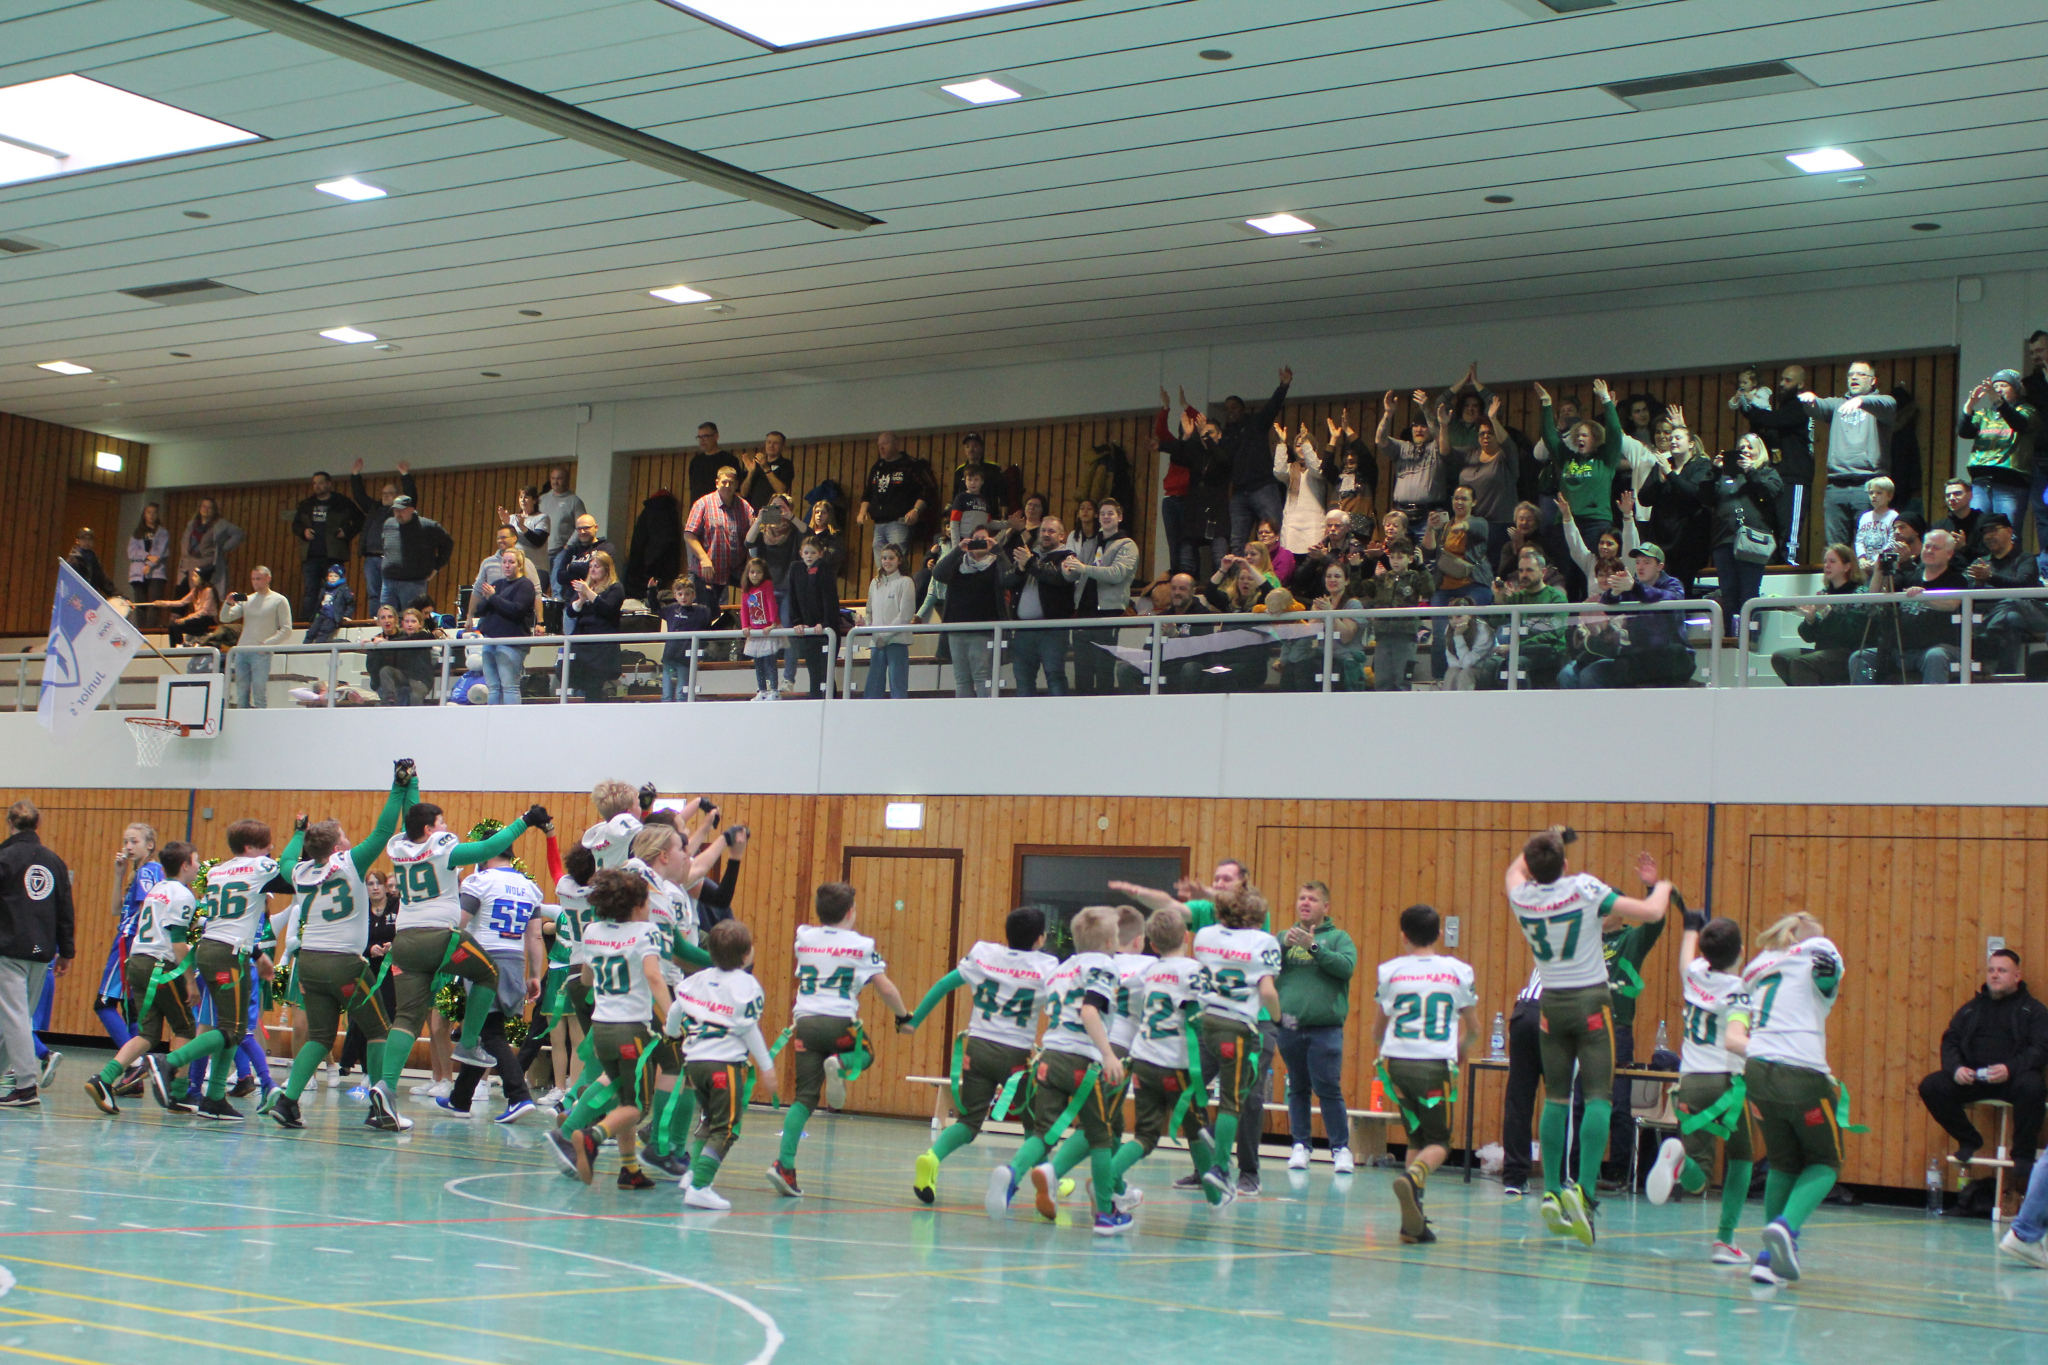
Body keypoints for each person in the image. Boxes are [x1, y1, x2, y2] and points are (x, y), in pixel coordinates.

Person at [1504, 826, 1673, 1248]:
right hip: (1591, 1003)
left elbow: (1514, 869)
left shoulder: (1522, 896)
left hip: (1551, 1005)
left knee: (1556, 1098)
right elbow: (1650, 913)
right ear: (1565, 864)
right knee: (1599, 1096)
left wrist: (1548, 837)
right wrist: (1662, 888)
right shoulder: (1583, 888)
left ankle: (1550, 1190)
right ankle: (1583, 1191)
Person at [368, 786, 545, 1132]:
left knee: (406, 1018)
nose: (447, 826)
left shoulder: (399, 847)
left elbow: (411, 816)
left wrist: (406, 784)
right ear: (430, 829)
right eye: (441, 822)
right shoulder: (442, 849)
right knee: (488, 974)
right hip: (439, 936)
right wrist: (525, 820)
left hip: (405, 939)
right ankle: (467, 1045)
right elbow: (488, 848)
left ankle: (386, 1088)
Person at [265, 774, 409, 1128]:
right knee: (379, 1030)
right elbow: (383, 830)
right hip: (343, 963)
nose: (347, 838)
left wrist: (298, 832)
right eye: (343, 835)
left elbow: (286, 859)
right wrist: (398, 788)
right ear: (335, 848)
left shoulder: (300, 872)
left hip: (310, 962)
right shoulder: (349, 862)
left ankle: (288, 1101)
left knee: (319, 1036)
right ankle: (381, 1106)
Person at [143, 814, 302, 1122]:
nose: (270, 849)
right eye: (266, 845)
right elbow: (290, 873)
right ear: (250, 847)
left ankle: (214, 1098)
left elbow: (233, 918)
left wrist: (257, 953)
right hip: (230, 956)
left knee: (230, 1028)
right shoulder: (259, 866)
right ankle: (170, 1062)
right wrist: (299, 836)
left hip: (212, 948)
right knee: (233, 1030)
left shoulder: (217, 871)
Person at [985, 904, 1133, 1233]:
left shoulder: (1062, 968)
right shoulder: (1104, 967)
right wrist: (1108, 1054)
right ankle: (1106, 1213)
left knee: (1043, 1132)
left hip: (1050, 1056)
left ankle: (1012, 1174)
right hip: (1082, 1059)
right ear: (1110, 942)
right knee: (1101, 1137)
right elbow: (1089, 1012)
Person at [899, 906, 1058, 1205]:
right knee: (1035, 1125)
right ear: (1040, 938)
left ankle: (932, 1157)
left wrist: (914, 1021)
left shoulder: (986, 954)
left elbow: (944, 985)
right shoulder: (1046, 967)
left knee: (970, 1120)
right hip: (1016, 1056)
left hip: (977, 1049)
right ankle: (1049, 1182)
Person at [768, 881, 909, 1198]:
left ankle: (784, 1165)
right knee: (866, 1054)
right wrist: (903, 1016)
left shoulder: (804, 937)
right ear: (850, 912)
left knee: (804, 1098)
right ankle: (840, 1063)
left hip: (805, 1023)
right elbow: (886, 988)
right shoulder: (862, 945)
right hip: (839, 1023)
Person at [1740, 912, 1851, 1286]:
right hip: (1800, 1071)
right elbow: (1826, 977)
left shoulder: (1759, 965)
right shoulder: (1819, 948)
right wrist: (1828, 971)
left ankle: (1767, 1259)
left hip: (1756, 1070)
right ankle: (1787, 1228)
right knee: (1826, 1160)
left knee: (1783, 1162)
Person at [545, 868, 673, 1188]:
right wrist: (674, 1019)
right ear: (636, 905)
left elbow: (587, 979)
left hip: (600, 1028)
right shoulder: (646, 933)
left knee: (617, 1090)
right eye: (647, 902)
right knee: (637, 1105)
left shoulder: (592, 931)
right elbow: (654, 977)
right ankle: (590, 1136)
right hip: (631, 1029)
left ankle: (629, 1168)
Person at [1643, 910, 1757, 1261]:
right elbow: (1737, 1041)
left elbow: (1685, 959)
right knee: (1742, 1158)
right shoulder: (1739, 992)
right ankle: (1725, 1240)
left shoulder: (1693, 975)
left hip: (1689, 1084)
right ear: (1741, 953)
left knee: (1700, 1178)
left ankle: (1680, 1163)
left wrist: (1691, 928)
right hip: (1725, 1085)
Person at [1101, 906, 1223, 1205]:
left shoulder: (1149, 971)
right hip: (1175, 1063)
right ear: (1187, 937)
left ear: (1153, 945)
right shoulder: (1193, 971)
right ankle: (1215, 1197)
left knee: (1145, 1135)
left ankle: (1108, 1178)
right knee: (1196, 1130)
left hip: (1142, 1059)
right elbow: (1203, 1010)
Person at [1375, 902, 1479, 1244]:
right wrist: (1461, 1048)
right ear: (1439, 934)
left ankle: (1412, 1225)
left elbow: (1378, 1030)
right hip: (1433, 1066)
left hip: (1397, 1066)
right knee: (1439, 1142)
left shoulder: (1390, 971)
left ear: (1403, 936)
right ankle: (1414, 1176)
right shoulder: (1457, 971)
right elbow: (1474, 1029)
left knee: (1416, 1138)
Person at [1917, 948, 2048, 1199]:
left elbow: (2041, 1049)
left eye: (2002, 970)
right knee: (1931, 1085)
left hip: (2013, 1079)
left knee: (2033, 1087)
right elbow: (1950, 1041)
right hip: (1974, 1078)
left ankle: (2022, 1154)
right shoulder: (1971, 1009)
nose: (1994, 975)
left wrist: (2010, 1069)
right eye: (1991, 970)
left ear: (2017, 976)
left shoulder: (2034, 1011)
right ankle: (1969, 1139)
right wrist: (1956, 1069)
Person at [664, 919, 778, 1209]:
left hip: (694, 1063)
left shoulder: (697, 980)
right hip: (724, 1065)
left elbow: (676, 1009)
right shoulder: (747, 986)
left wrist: (671, 1032)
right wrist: (766, 1066)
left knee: (708, 1120)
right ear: (746, 954)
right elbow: (749, 1029)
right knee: (726, 1129)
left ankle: (692, 1174)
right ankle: (700, 1186)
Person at [84, 840, 199, 1115]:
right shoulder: (183, 895)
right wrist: (191, 980)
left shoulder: (156, 889)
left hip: (137, 961)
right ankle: (178, 1092)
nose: (198, 866)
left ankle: (104, 1079)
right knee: (185, 1028)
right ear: (185, 865)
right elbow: (177, 943)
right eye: (196, 861)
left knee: (148, 1033)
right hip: (160, 965)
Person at [1190, 889, 1283, 1203]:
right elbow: (1267, 992)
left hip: (1207, 1022)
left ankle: (1209, 1137)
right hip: (1237, 1025)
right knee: (1232, 1100)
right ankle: (1219, 1167)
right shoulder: (1262, 942)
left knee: (1206, 1089)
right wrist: (1279, 1018)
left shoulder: (1205, 936)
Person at [444, 844, 547, 1124]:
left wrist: (446, 957)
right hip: (515, 959)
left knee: (490, 1033)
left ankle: (518, 1095)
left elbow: (459, 922)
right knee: (484, 1028)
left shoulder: (480, 881)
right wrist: (534, 974)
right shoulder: (530, 887)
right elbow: (535, 936)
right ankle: (460, 1098)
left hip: (484, 959)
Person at [1277, 882, 1356, 1175]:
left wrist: (1313, 947)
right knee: (1297, 1087)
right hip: (1290, 1025)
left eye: (1312, 898)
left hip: (1325, 1027)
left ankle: (1340, 1149)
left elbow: (1345, 968)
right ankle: (1300, 1146)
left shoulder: (1338, 938)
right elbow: (1263, 967)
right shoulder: (1283, 938)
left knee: (1328, 1088)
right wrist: (1283, 948)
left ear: (1326, 907)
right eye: (1302, 897)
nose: (1305, 902)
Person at [0, 802, 73, 1108]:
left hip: (9, 949)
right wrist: (66, 950)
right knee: (16, 1017)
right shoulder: (54, 862)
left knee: (14, 1017)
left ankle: (26, 1085)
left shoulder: (4, 858)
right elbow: (65, 909)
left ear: (9, 823)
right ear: (37, 824)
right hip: (42, 952)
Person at [1558, 543, 1694, 690]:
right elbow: (1607, 603)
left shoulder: (1672, 584)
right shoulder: (1632, 585)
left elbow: (1667, 599)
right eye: (1638, 562)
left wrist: (1634, 587)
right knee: (1580, 674)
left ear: (1660, 567)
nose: (1640, 567)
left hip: (1672, 658)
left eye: (1647, 562)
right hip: (1639, 658)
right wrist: (1615, 592)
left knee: (1592, 674)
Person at [1849, 526, 1967, 685]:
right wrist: (1878, 569)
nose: (1929, 550)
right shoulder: (1907, 576)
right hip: (1898, 651)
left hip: (1936, 649)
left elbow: (1951, 604)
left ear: (1949, 554)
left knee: (1936, 656)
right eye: (1927, 546)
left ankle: (1934, 701)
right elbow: (1875, 598)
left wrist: (1924, 598)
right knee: (1860, 658)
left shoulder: (1956, 579)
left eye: (1936, 548)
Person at [1800, 362, 1898, 550]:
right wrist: (1810, 400)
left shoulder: (1882, 404)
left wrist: (1861, 401)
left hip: (1869, 485)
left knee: (1869, 545)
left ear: (1873, 380)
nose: (1854, 377)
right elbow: (1818, 406)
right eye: (1851, 375)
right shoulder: (1838, 405)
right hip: (1836, 486)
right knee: (1836, 549)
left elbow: (1888, 404)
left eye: (1860, 374)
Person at [1732, 364, 1815, 564]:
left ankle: (1789, 569)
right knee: (1775, 531)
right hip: (1779, 476)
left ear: (1800, 384)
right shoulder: (1785, 410)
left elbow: (1772, 420)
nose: (1782, 384)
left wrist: (1747, 407)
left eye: (1788, 380)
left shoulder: (1800, 407)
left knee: (1789, 533)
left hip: (1795, 477)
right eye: (1781, 379)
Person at [1063, 497, 1139, 695]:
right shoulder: (1091, 542)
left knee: (1103, 669)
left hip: (1107, 613)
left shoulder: (1127, 545)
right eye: (1103, 513)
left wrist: (1084, 568)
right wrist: (1067, 569)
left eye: (1110, 513)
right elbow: (1075, 574)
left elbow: (1116, 574)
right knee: (1082, 671)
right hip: (1083, 613)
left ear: (1119, 517)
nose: (1106, 517)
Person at [1220, 368, 1294, 553]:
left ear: (1243, 408)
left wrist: (1283, 386)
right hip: (1239, 492)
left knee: (1274, 533)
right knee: (1237, 541)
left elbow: (1272, 407)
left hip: (1263, 487)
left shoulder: (1255, 423)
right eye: (1227, 409)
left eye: (1234, 408)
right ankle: (1240, 572)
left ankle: (1277, 569)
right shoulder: (1226, 435)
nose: (1230, 412)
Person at [1001, 515, 1076, 696]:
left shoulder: (1068, 557)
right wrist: (1020, 569)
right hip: (1023, 630)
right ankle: (1026, 715)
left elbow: (1058, 578)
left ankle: (1060, 713)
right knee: (1023, 679)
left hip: (1053, 630)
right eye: (1043, 530)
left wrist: (1030, 563)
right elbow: (1007, 581)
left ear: (1062, 536)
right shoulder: (1030, 555)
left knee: (1054, 676)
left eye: (1051, 531)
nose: (1046, 534)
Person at [1770, 545, 1865, 685]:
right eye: (1825, 561)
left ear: (1847, 566)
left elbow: (1853, 633)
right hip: (1824, 651)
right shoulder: (1824, 593)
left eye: (1832, 561)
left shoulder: (1859, 594)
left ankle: (1811, 698)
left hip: (1848, 653)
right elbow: (1808, 637)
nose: (1827, 565)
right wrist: (1810, 619)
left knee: (1802, 663)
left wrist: (1827, 611)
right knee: (1780, 658)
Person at [1968, 513, 2046, 673]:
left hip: (2032, 614)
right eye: (1985, 532)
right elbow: (1970, 602)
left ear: (2009, 532)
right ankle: (2005, 674)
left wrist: (1990, 577)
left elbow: (2024, 586)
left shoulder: (2025, 558)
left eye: (1993, 530)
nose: (1989, 536)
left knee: (2012, 599)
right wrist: (1978, 585)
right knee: (2011, 618)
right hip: (2006, 619)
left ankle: (1987, 631)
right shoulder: (1980, 563)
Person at [1484, 546, 1570, 688]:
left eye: (1529, 570)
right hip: (1521, 650)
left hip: (1549, 652)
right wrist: (1498, 600)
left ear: (1543, 572)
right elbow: (1497, 623)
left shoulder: (1556, 598)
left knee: (1515, 663)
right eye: (1521, 570)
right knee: (1489, 664)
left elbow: (1552, 634)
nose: (1524, 575)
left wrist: (1514, 648)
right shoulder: (1518, 597)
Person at [933, 530, 1004, 697]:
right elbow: (938, 573)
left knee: (982, 677)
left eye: (983, 539)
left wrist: (997, 550)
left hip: (983, 631)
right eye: (975, 539)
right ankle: (964, 712)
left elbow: (1009, 578)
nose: (979, 542)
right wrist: (958, 550)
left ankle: (985, 712)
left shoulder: (995, 564)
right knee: (961, 679)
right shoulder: (959, 563)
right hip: (957, 629)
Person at [1960, 371, 2037, 521]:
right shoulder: (1985, 414)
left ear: (2016, 389)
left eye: (2003, 385)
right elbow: (1965, 432)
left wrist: (1999, 402)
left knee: (2007, 529)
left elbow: (2019, 423)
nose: (1998, 390)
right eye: (1995, 387)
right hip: (1981, 480)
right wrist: (1969, 406)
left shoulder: (2027, 411)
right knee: (1978, 527)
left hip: (2011, 482)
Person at [291, 470, 365, 623]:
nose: (317, 486)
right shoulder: (306, 504)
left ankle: (335, 618)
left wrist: (347, 532)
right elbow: (295, 525)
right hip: (311, 554)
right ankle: (307, 622)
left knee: (335, 589)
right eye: (314, 483)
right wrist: (303, 531)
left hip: (334, 554)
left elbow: (360, 519)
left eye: (320, 483)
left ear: (329, 484)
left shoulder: (342, 502)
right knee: (310, 591)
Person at [221, 566, 293, 708]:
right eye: (253, 579)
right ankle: (243, 720)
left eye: (258, 578)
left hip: (261, 652)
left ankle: (260, 721)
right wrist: (228, 603)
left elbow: (287, 629)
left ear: (268, 578)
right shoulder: (247, 599)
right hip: (242, 650)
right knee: (241, 693)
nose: (255, 582)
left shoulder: (279, 600)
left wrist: (267, 644)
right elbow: (225, 618)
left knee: (259, 692)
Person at [856, 431, 930, 569]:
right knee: (881, 567)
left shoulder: (909, 464)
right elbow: (868, 493)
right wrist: (862, 511)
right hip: (878, 523)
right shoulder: (877, 467)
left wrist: (916, 510)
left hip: (899, 522)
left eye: (885, 443)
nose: (881, 448)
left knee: (896, 563)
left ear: (896, 444)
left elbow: (926, 490)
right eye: (879, 445)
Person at [348, 458, 416, 609]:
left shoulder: (400, 511)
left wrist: (405, 475)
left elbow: (411, 496)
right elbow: (359, 496)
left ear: (397, 495)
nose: (385, 496)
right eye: (384, 493)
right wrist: (355, 475)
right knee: (373, 593)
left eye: (389, 493)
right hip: (371, 557)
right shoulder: (374, 508)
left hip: (389, 558)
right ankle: (375, 618)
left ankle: (390, 618)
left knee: (389, 591)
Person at [474, 548, 536, 705]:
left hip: (511, 642)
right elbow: (480, 610)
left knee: (509, 686)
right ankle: (493, 717)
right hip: (490, 640)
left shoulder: (525, 585)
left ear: (520, 565)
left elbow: (516, 610)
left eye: (511, 562)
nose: (507, 565)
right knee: (493, 687)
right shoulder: (497, 584)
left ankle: (511, 718)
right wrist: (489, 598)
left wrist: (493, 597)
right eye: (504, 562)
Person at [685, 466, 755, 601]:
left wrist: (749, 567)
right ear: (717, 483)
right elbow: (689, 535)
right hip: (708, 569)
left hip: (737, 569)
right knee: (705, 610)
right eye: (724, 482)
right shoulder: (702, 504)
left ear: (737, 484)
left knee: (761, 589)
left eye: (731, 483)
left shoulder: (745, 507)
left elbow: (752, 540)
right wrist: (704, 558)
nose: (727, 486)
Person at [565, 550, 625, 701]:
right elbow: (571, 612)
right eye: (590, 566)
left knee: (595, 686)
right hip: (583, 644)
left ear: (607, 569)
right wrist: (581, 599)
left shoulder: (615, 588)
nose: (592, 570)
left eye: (597, 566)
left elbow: (607, 609)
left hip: (602, 646)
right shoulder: (586, 588)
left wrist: (588, 593)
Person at [1370, 538, 1429, 691]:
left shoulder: (1414, 577)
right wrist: (1357, 567)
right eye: (1392, 557)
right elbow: (1360, 590)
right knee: (1381, 682)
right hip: (1383, 635)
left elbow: (1429, 591)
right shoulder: (1383, 578)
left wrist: (1422, 567)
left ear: (1410, 558)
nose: (1395, 561)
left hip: (1405, 635)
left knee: (1402, 682)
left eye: (1400, 557)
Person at [379, 495, 453, 612]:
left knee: (412, 619)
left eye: (401, 510)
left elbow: (448, 544)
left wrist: (437, 566)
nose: (398, 514)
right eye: (395, 510)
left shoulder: (428, 526)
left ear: (412, 509)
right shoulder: (389, 524)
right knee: (387, 618)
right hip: (388, 582)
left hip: (413, 583)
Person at [783, 536, 836, 699]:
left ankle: (828, 702)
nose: (809, 556)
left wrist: (825, 623)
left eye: (813, 553)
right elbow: (792, 598)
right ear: (801, 553)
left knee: (825, 672)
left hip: (824, 629)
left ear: (820, 554)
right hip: (808, 630)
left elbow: (829, 598)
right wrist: (797, 622)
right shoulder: (796, 568)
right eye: (806, 552)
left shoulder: (824, 569)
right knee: (814, 671)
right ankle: (817, 701)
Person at [862, 541, 915, 699]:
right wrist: (866, 624)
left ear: (899, 560)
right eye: (884, 558)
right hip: (876, 642)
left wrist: (885, 637)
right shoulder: (875, 583)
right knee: (873, 685)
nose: (887, 561)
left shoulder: (906, 582)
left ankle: (898, 713)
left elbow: (905, 615)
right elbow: (869, 611)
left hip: (896, 641)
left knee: (897, 684)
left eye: (891, 558)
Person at [657, 576, 714, 702]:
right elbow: (655, 608)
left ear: (693, 595)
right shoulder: (671, 609)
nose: (683, 597)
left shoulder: (700, 611)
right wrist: (651, 590)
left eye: (687, 594)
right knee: (666, 695)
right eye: (680, 594)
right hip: (669, 657)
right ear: (675, 595)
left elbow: (713, 613)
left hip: (685, 660)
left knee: (681, 694)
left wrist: (709, 593)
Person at [1273, 421, 1327, 554]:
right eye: (1298, 445)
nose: (1301, 448)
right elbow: (1278, 471)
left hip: (1314, 522)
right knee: (1288, 557)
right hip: (1292, 522)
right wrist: (1282, 443)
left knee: (1314, 557)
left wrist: (1306, 444)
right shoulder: (1291, 468)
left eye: (1305, 444)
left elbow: (1316, 469)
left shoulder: (1320, 465)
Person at [738, 556, 782, 701]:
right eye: (752, 572)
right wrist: (745, 626)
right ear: (747, 573)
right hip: (755, 631)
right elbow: (744, 609)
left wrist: (773, 622)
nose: (755, 575)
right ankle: (762, 690)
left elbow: (770, 602)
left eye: (758, 572)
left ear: (764, 574)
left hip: (767, 629)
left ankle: (774, 691)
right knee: (758, 663)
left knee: (770, 661)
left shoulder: (767, 585)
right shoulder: (746, 589)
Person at [177, 498, 245, 590]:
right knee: (193, 592)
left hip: (209, 564)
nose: (206, 509)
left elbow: (239, 533)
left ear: (214, 510)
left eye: (209, 507)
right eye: (204, 506)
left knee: (209, 591)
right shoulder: (192, 524)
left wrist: (224, 547)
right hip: (191, 563)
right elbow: (185, 541)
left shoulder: (219, 525)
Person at [686, 421, 743, 509]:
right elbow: (694, 491)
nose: (702, 440)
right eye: (699, 437)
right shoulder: (695, 462)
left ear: (716, 437)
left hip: (721, 509)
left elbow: (736, 490)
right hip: (699, 509)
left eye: (705, 436)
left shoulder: (729, 460)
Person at [160, 568, 221, 649]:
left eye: (195, 576)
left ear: (202, 578)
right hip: (197, 619)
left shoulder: (208, 590)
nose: (192, 578)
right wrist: (165, 603)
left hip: (207, 619)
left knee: (177, 626)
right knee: (172, 626)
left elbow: (204, 611)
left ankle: (181, 645)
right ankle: (174, 648)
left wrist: (186, 618)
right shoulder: (195, 590)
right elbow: (182, 602)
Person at [502, 487, 552, 582]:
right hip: (516, 569)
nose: (523, 500)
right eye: (521, 497)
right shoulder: (512, 518)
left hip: (536, 568)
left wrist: (522, 527)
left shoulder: (542, 518)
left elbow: (538, 542)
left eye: (526, 497)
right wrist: (506, 523)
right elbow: (505, 544)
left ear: (535, 500)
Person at [539, 467, 586, 567]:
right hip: (541, 553)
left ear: (567, 480)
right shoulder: (542, 499)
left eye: (559, 478)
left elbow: (581, 526)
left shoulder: (574, 501)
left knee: (557, 578)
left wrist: (568, 546)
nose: (555, 482)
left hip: (561, 553)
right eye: (553, 478)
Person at [739, 430, 795, 512]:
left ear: (783, 446)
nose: (771, 445)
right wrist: (750, 473)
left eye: (776, 443)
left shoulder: (786, 464)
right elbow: (743, 493)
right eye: (769, 442)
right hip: (753, 511)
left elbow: (781, 490)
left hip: (773, 511)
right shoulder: (756, 463)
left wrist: (766, 468)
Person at [125, 503, 170, 603]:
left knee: (154, 604)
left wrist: (149, 565)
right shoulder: (137, 532)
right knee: (140, 604)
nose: (151, 515)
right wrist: (148, 556)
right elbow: (132, 552)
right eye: (149, 512)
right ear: (144, 514)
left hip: (156, 572)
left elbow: (160, 551)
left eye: (154, 513)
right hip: (138, 572)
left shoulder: (162, 532)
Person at [1853, 476, 1899, 572]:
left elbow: (1892, 542)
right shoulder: (1865, 517)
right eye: (1871, 493)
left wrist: (1878, 559)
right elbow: (1859, 540)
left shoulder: (1894, 516)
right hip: (1865, 565)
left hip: (1884, 565)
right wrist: (1862, 558)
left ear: (1889, 496)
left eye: (1879, 493)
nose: (1874, 496)